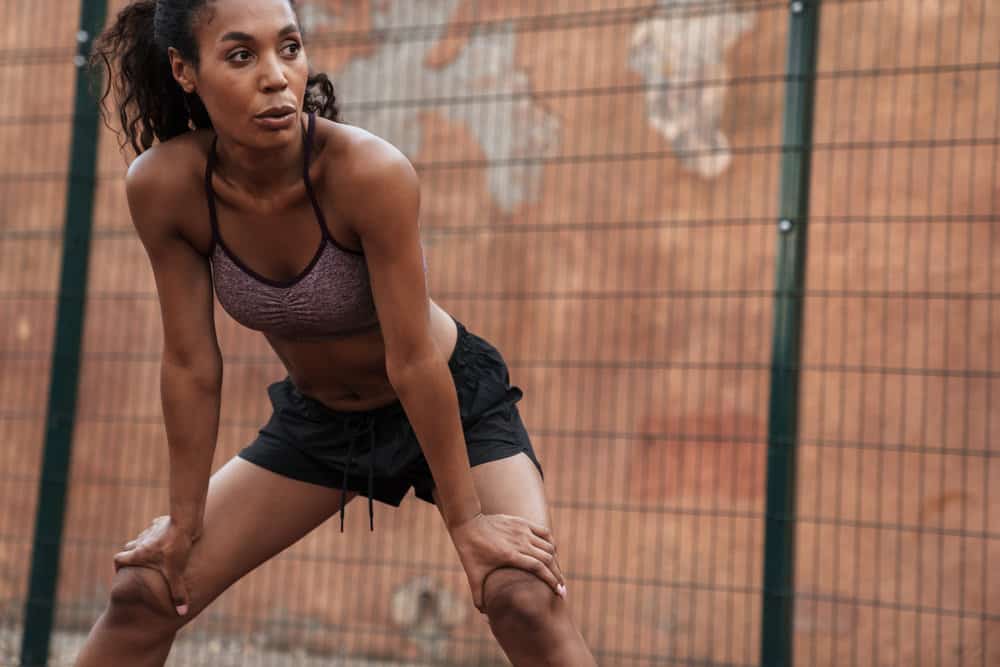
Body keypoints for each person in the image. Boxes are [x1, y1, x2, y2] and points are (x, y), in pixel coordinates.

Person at [74, 0, 597, 666]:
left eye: (288, 48)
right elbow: (190, 365)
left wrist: (470, 525)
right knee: (145, 595)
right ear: (184, 69)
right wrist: (183, 521)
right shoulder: (167, 186)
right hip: (321, 421)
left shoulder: (368, 173)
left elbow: (412, 360)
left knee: (522, 594)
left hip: (448, 403)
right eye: (241, 55)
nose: (276, 76)